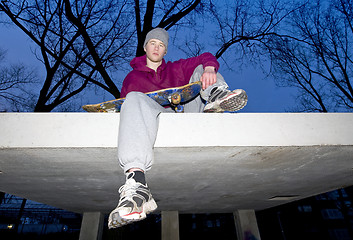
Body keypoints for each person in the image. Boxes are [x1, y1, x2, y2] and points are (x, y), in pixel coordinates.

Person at [108, 28, 247, 228]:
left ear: (165, 51)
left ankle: (217, 94)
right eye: (153, 43)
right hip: (157, 118)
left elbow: (206, 56)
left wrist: (209, 68)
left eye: (161, 45)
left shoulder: (177, 68)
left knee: (201, 67)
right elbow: (127, 110)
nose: (156, 48)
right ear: (145, 47)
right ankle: (137, 188)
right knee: (133, 98)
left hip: (190, 115)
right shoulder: (132, 78)